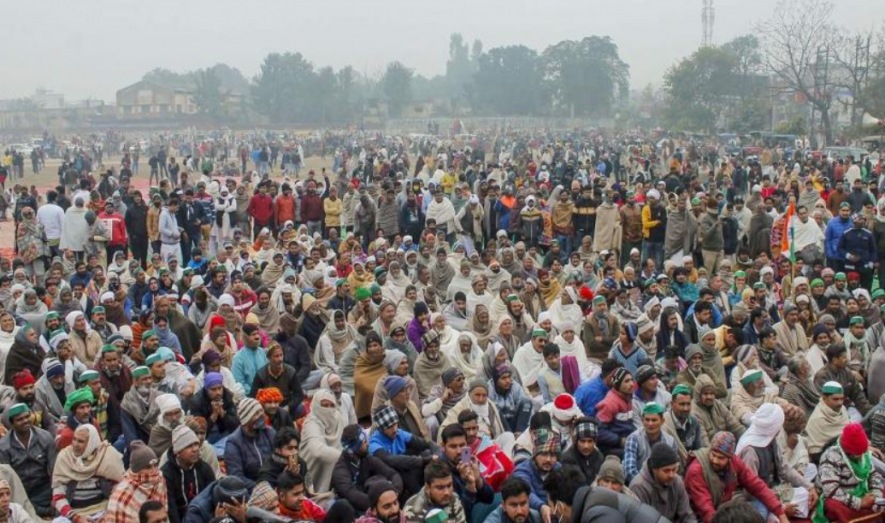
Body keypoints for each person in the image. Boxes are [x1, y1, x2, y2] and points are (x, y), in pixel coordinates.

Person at [684, 432, 789, 523]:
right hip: (701, 518)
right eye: (713, 455)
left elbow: (757, 486)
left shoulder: (734, 462)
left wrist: (781, 514)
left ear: (729, 458)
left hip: (723, 512)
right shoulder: (696, 471)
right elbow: (706, 510)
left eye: (720, 458)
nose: (715, 460)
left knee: (762, 504)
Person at [543, 465, 669, 523]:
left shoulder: (596, 512)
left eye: (553, 508)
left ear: (560, 506)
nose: (554, 514)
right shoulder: (593, 499)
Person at [331, 424, 403, 512]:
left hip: (375, 504)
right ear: (355, 447)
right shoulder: (341, 471)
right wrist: (379, 503)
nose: (368, 444)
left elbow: (392, 474)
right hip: (356, 511)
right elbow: (352, 495)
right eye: (364, 442)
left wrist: (394, 492)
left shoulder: (366, 458)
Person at [0, 403, 55, 517]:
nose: (25, 421)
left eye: (27, 417)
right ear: (12, 424)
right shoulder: (3, 446)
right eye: (20, 419)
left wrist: (56, 496)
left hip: (44, 491)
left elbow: (54, 470)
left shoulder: (45, 437)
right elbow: (7, 478)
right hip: (20, 492)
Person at [629, 443, 697, 523]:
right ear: (654, 469)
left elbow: (687, 515)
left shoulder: (677, 481)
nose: (672, 475)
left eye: (674, 469)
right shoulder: (639, 487)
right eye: (666, 471)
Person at [161, 425, 215, 523]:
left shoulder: (205, 469)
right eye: (189, 446)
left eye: (196, 444)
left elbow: (212, 499)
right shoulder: (166, 474)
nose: (195, 449)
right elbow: (171, 509)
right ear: (178, 451)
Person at [105, 441, 167, 523]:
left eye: (155, 465)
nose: (154, 471)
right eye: (148, 467)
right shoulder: (121, 497)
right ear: (137, 470)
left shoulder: (159, 482)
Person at [224, 398, 275, 488]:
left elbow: (280, 456)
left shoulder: (269, 432)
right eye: (256, 413)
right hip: (251, 490)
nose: (261, 415)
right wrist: (261, 489)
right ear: (246, 419)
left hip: (274, 482)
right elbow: (237, 477)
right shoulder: (233, 443)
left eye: (261, 411)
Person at [403, 460, 467, 523]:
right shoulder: (413, 508)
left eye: (449, 485)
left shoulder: (454, 498)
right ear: (427, 487)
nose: (447, 492)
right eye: (440, 488)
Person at [560, 417, 604, 485]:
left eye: (590, 441)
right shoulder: (567, 459)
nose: (586, 446)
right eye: (582, 441)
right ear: (576, 441)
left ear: (595, 442)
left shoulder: (599, 457)